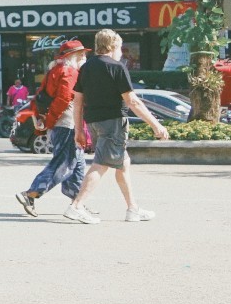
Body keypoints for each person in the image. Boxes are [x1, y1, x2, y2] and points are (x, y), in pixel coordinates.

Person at [64, 28, 169, 224]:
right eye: (120, 47)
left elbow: (78, 101)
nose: (121, 51)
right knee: (101, 164)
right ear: (113, 46)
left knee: (123, 164)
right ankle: (76, 206)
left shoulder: (86, 68)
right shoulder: (116, 67)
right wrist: (156, 125)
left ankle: (132, 209)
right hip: (113, 123)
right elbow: (133, 102)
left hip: (93, 122)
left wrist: (79, 130)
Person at [13, 41, 87, 217]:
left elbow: (40, 97)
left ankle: (77, 203)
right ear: (71, 57)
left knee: (78, 164)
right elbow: (63, 99)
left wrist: (44, 121)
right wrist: (50, 121)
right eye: (81, 55)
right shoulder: (70, 72)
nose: (84, 57)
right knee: (64, 163)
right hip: (67, 123)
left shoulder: (54, 71)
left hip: (62, 124)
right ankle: (31, 193)